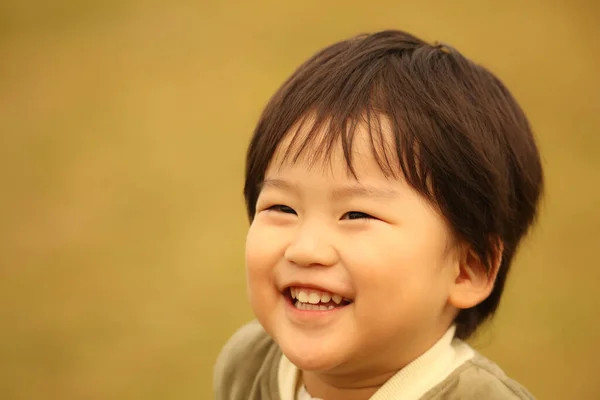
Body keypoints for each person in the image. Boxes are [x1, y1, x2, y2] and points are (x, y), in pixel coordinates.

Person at [214, 29, 543, 400]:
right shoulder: (249, 366)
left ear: (469, 268)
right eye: (282, 207)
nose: (304, 249)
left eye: (356, 215)